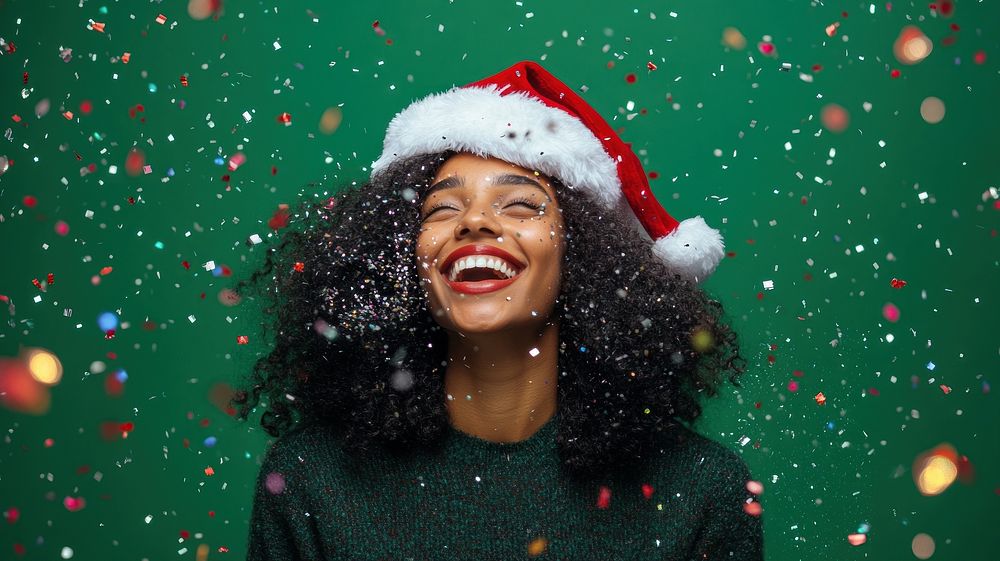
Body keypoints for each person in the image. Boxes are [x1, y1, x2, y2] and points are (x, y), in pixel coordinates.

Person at [233, 60, 764, 560]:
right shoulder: (310, 480)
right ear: (403, 255)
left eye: (519, 205)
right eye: (442, 208)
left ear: (583, 254)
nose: (475, 223)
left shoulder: (700, 491)